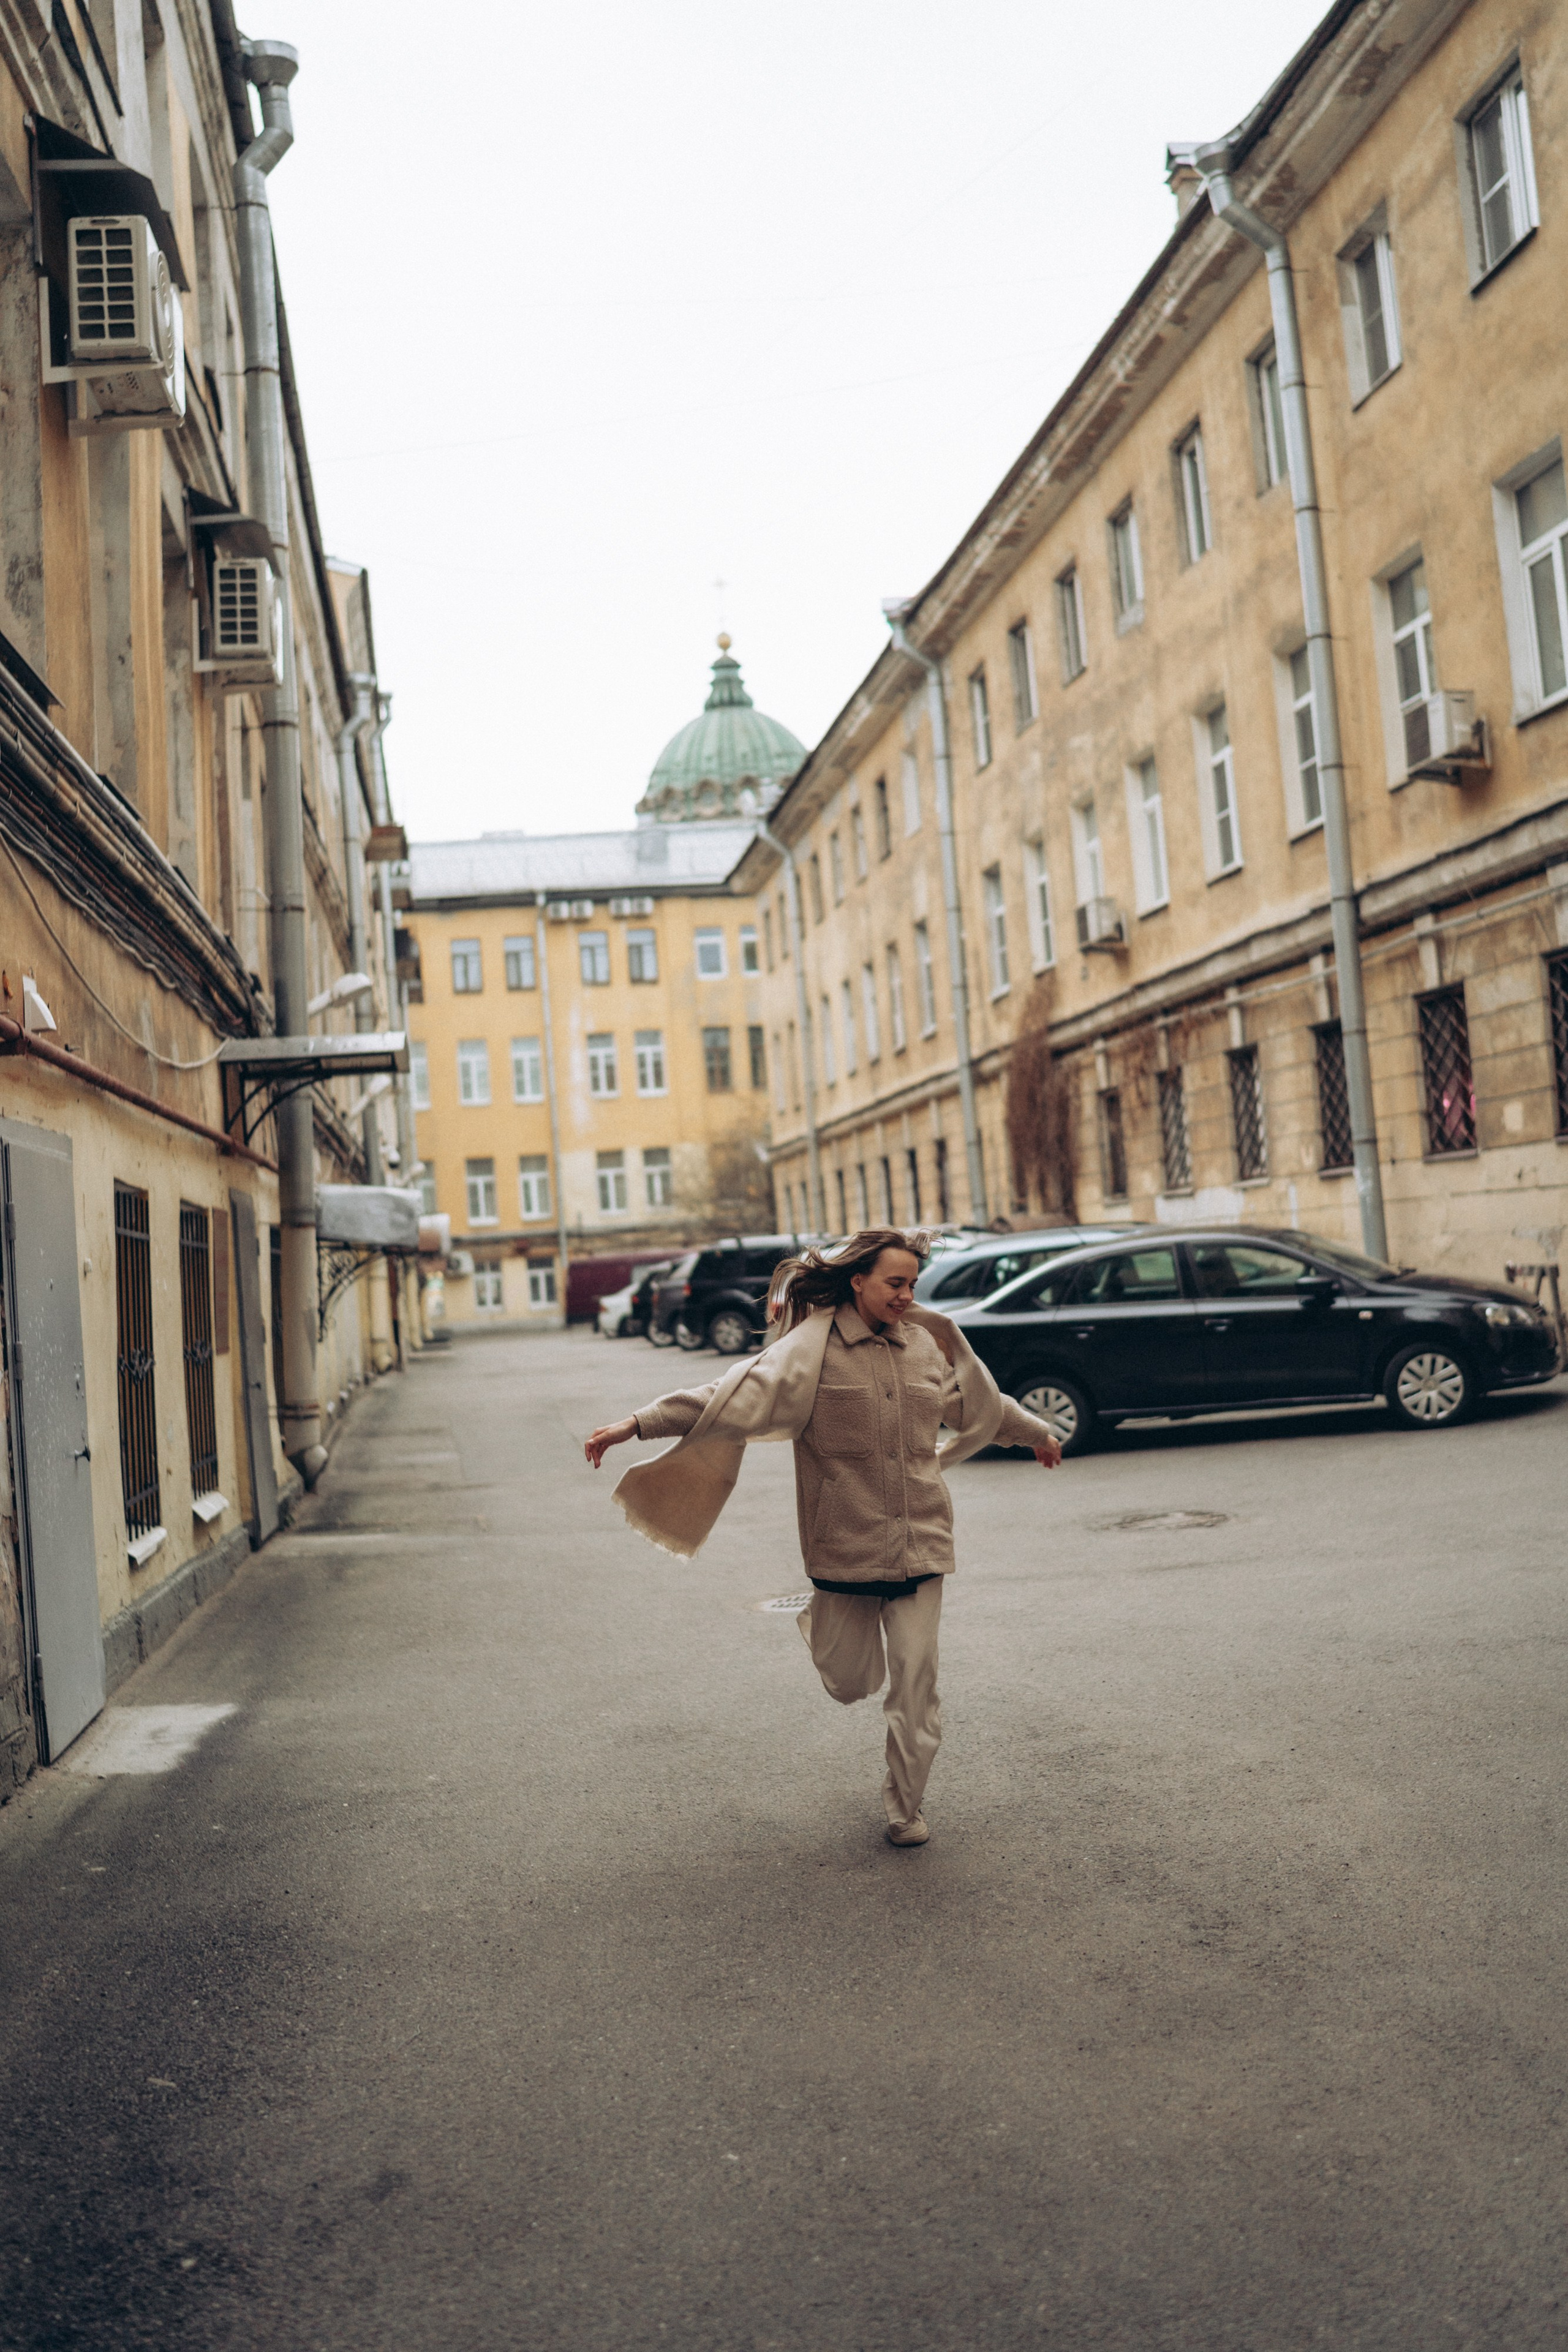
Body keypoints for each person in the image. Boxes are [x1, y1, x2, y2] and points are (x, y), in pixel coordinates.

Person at [584, 1227, 1061, 1847]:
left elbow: (977, 1404)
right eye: (895, 1283)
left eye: (912, 1284)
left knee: (915, 1681)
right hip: (846, 1542)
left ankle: (905, 1805)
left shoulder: (922, 1346)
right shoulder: (808, 1356)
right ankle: (827, 1625)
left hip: (922, 1537)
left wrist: (1037, 1433)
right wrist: (636, 1424)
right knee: (847, 1679)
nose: (905, 1295)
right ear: (857, 1281)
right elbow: (725, 1396)